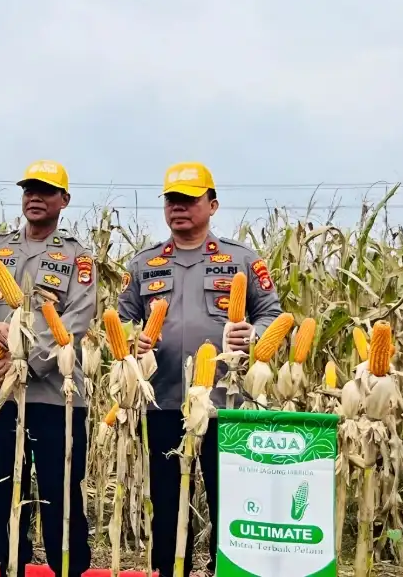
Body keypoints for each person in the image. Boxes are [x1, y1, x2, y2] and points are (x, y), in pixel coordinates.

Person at [117, 162, 282, 577]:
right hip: (164, 399)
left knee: (230, 496)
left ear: (212, 205)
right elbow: (120, 319)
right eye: (172, 200)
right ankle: (172, 570)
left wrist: (253, 333)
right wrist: (131, 339)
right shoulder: (144, 264)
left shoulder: (242, 259)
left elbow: (271, 312)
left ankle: (229, 569)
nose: (179, 208)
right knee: (168, 499)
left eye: (189, 200)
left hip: (226, 402)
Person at [0, 161, 95, 577]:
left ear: (63, 201)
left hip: (56, 395)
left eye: (46, 191)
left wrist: (22, 364)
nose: (35, 197)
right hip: (0, 397)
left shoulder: (77, 257)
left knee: (60, 491)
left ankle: (66, 568)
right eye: (29, 190)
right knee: (2, 487)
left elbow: (77, 320)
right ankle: (9, 564)